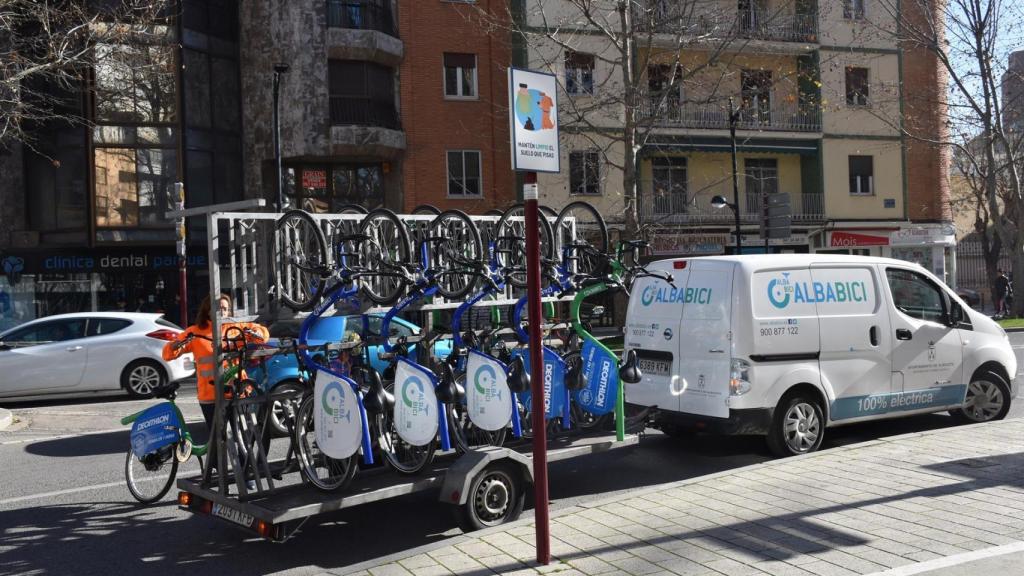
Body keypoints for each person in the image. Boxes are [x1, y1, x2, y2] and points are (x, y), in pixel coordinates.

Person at [162, 293, 268, 442]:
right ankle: (216, 465)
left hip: (237, 391)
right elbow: (168, 354)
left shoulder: (234, 327)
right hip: (210, 396)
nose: (223, 312)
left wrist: (257, 332)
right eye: (218, 308)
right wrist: (175, 345)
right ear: (208, 310)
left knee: (243, 437)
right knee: (219, 439)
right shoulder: (196, 332)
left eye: (225, 308)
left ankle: (246, 464)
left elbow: (262, 332)